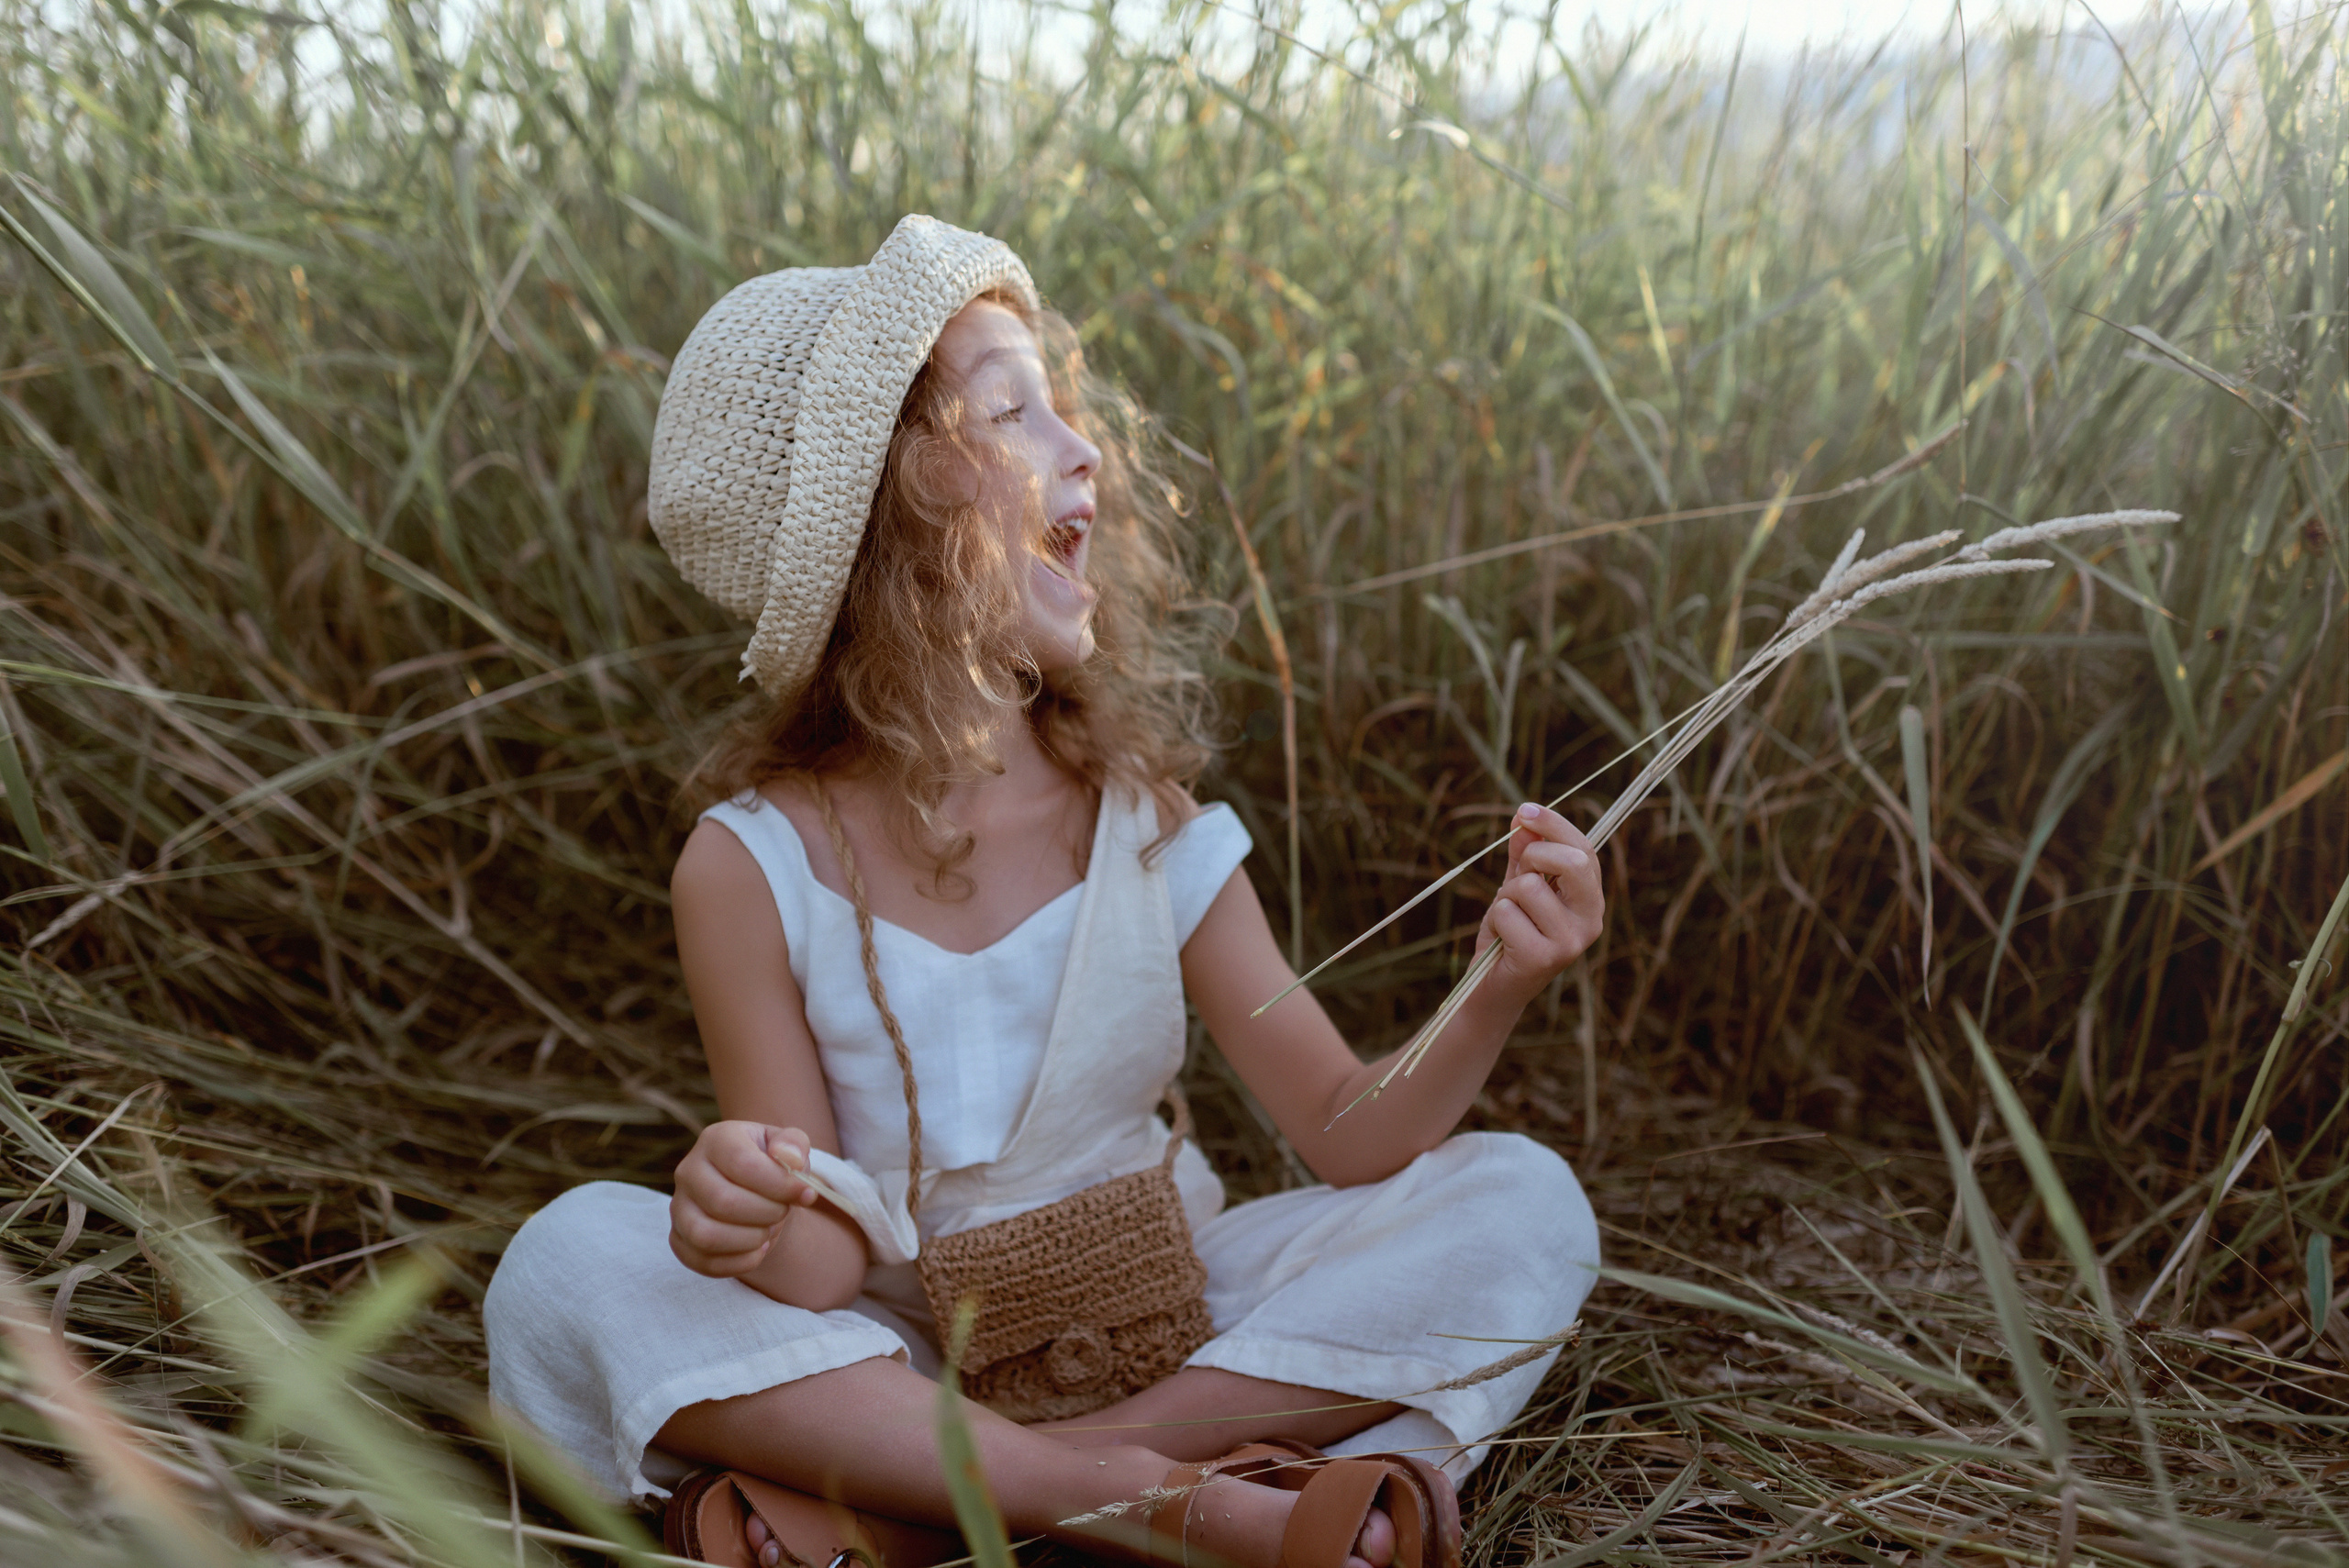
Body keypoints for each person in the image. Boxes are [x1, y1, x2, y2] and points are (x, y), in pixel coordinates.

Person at [484, 216, 1605, 1568]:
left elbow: (1344, 1133)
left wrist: (1499, 984)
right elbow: (824, 1269)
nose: (1085, 449)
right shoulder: (749, 864)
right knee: (566, 1260)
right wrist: (745, 1213)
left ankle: (950, 1504)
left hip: (1172, 1312)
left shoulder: (1143, 822)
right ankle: (1176, 1498)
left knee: (1521, 1204)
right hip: (900, 1350)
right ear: (891, 515)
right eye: (1013, 412)